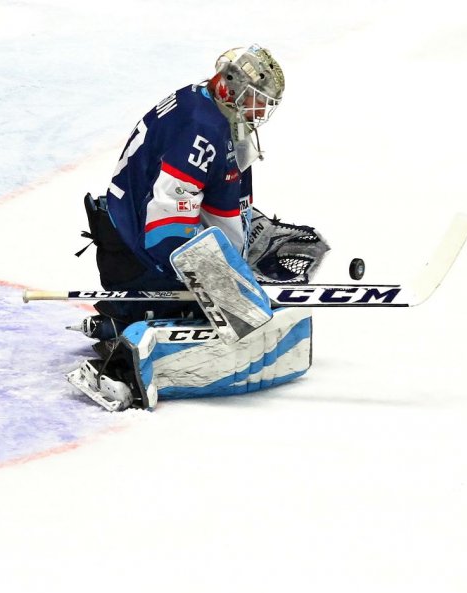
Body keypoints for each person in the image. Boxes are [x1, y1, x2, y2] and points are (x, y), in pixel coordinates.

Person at [68, 45, 327, 411]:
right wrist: (215, 280)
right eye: (257, 100)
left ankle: (125, 317)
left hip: (134, 236)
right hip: (137, 257)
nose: (260, 111)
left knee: (242, 303)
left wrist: (240, 248)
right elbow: (165, 221)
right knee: (235, 319)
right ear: (232, 86)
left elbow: (214, 192)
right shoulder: (201, 129)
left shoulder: (215, 110)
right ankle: (130, 341)